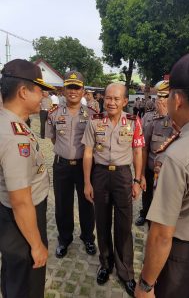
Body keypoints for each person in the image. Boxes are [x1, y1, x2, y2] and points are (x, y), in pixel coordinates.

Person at [135, 51, 189, 298]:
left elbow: (161, 235)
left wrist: (145, 285)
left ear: (177, 100)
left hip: (182, 260)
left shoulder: (176, 157)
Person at [82, 83, 145, 297]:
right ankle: (105, 264)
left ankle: (126, 272)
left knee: (124, 225)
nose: (111, 102)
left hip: (122, 176)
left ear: (125, 101)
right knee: (102, 222)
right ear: (103, 99)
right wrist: (87, 183)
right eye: (108, 98)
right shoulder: (95, 121)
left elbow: (138, 152)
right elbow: (88, 153)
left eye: (116, 99)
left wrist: (137, 180)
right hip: (99, 175)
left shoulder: (134, 122)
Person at [0, 59, 55, 298]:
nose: (44, 96)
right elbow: (21, 200)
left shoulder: (10, 123)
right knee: (26, 285)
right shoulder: (15, 137)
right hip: (21, 222)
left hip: (14, 219)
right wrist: (36, 245)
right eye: (40, 89)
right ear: (23, 91)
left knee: (13, 280)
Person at [45, 71, 97, 258]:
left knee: (87, 203)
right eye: (69, 87)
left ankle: (88, 237)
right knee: (62, 204)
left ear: (83, 90)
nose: (73, 91)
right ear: (64, 90)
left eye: (77, 87)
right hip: (61, 166)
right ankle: (65, 238)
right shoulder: (53, 113)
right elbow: (52, 139)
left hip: (85, 166)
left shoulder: (92, 115)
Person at [135, 81, 177, 227]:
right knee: (146, 195)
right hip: (151, 166)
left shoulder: (178, 119)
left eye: (164, 96)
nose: (160, 100)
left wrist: (167, 116)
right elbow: (144, 147)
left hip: (167, 170)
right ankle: (145, 214)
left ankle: (159, 220)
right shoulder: (148, 117)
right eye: (159, 96)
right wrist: (141, 174)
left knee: (164, 198)